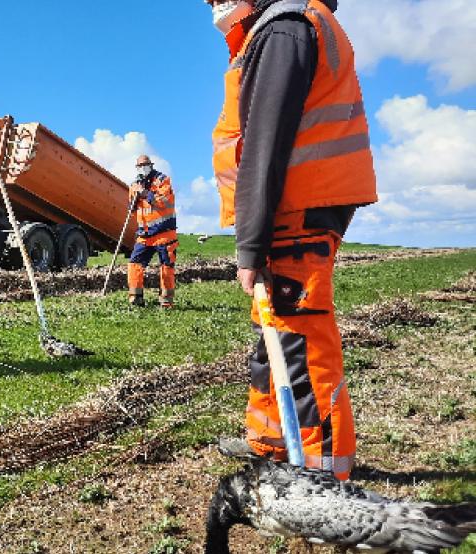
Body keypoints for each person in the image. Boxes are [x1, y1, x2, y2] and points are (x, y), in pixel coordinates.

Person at [207, 0, 378, 479]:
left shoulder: (283, 30)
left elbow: (264, 145)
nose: (210, 3)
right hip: (297, 206)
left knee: (299, 340)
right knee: (276, 329)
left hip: (295, 208)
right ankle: (269, 443)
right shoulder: (285, 25)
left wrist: (250, 243)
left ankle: (324, 475)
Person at [127, 154, 178, 308]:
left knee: (166, 267)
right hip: (145, 234)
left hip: (164, 233)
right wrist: (133, 203)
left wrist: (146, 194)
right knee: (134, 264)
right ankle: (136, 299)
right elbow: (132, 209)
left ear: (151, 165)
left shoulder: (162, 180)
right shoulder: (134, 184)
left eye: (145, 164)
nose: (143, 168)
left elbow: (164, 202)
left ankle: (166, 302)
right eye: (140, 166)